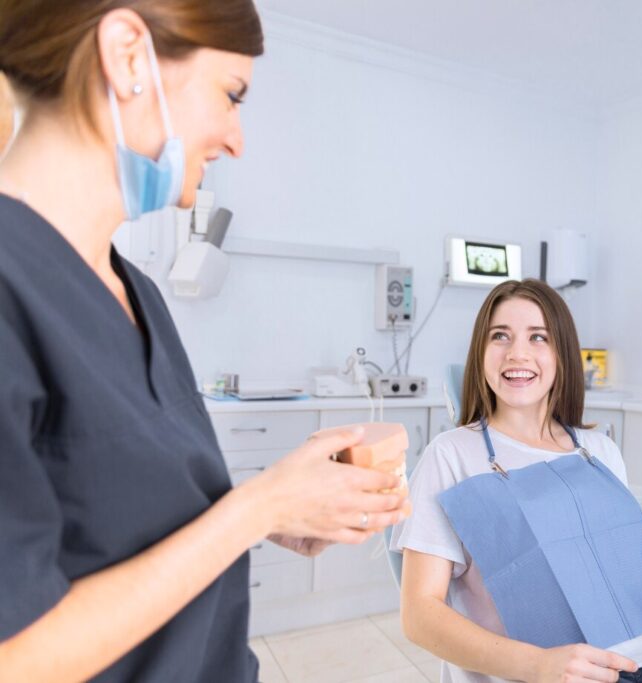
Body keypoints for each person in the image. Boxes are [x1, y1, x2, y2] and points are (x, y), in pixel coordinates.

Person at [0, 2, 408, 681]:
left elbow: (110, 510)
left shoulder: (136, 292)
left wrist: (281, 501)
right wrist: (259, 506)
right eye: (230, 94)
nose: (237, 139)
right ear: (129, 56)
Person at [392, 279, 642, 682]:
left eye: (538, 337)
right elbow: (419, 616)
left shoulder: (599, 451)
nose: (517, 353)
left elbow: (613, 581)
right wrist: (538, 665)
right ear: (480, 352)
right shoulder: (452, 454)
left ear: (562, 354)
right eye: (500, 336)